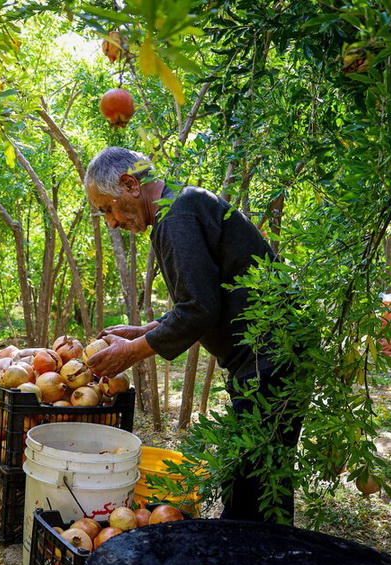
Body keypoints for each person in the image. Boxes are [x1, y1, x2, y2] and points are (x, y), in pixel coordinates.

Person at [83, 146, 304, 524]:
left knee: (256, 488)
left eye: (107, 208)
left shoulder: (177, 215)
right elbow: (206, 300)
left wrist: (132, 351)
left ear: (130, 185)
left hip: (270, 361)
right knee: (257, 481)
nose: (112, 223)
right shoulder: (179, 207)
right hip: (266, 360)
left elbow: (200, 310)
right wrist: (146, 331)